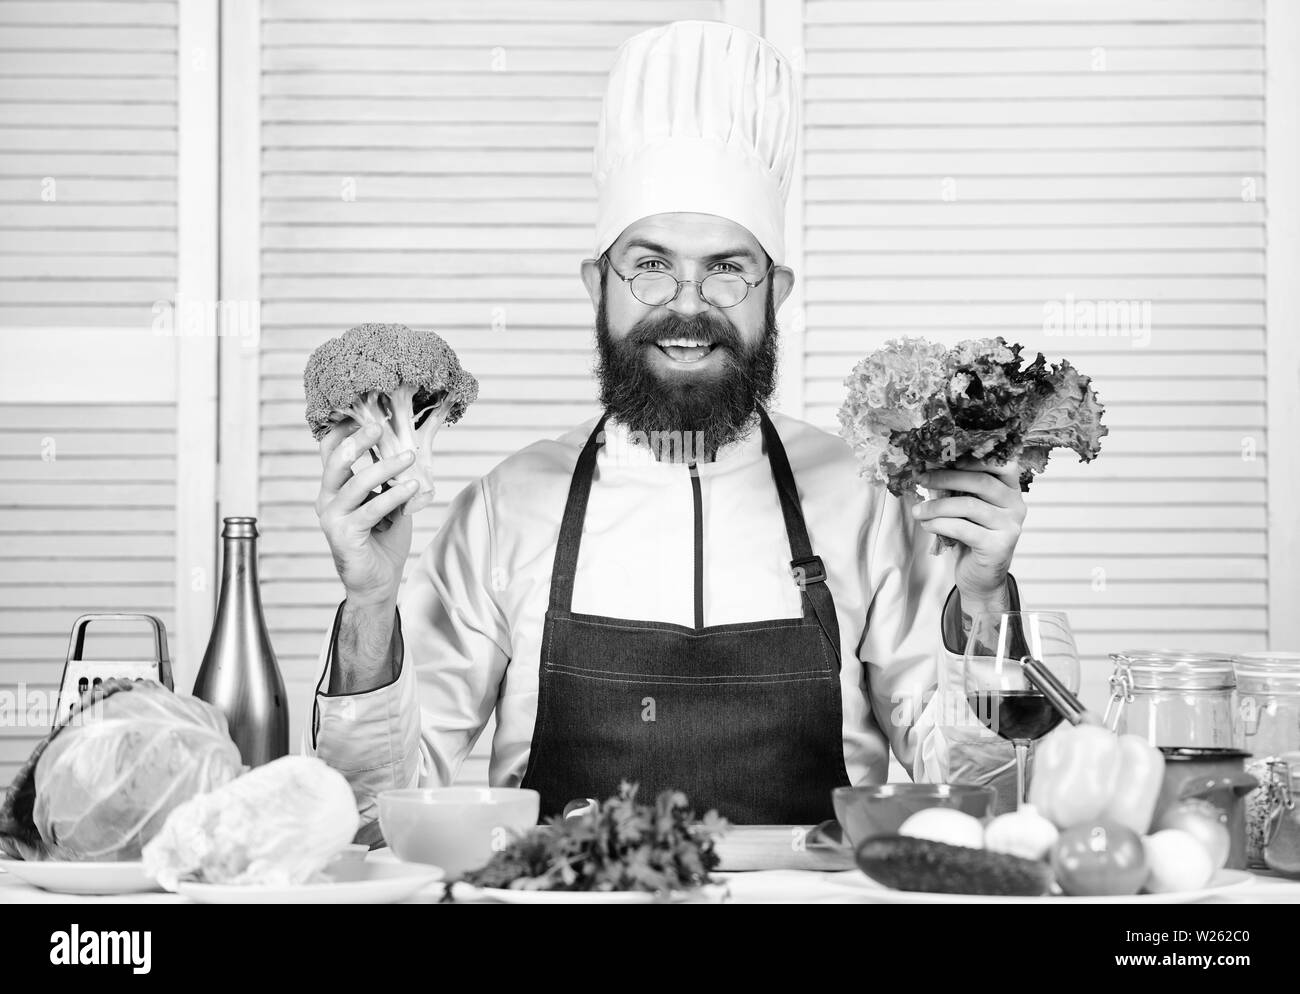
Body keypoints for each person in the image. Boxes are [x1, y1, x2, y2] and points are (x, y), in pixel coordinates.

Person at [309, 20, 1025, 828]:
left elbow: (984, 798)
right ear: (597, 285)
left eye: (726, 269)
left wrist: (985, 599)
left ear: (775, 293)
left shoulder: (864, 501)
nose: (687, 307)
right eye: (650, 266)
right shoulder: (505, 509)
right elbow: (370, 811)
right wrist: (370, 603)